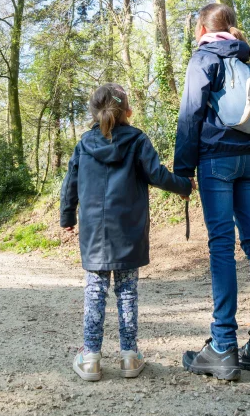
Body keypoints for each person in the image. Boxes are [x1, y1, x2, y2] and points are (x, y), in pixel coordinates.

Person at [174, 3, 250, 381]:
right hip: (248, 160)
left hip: (215, 160)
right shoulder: (244, 58)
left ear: (203, 26)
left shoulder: (204, 58)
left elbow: (190, 113)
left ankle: (222, 346)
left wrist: (183, 169)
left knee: (222, 247)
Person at [60, 82, 192, 381]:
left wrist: (67, 216)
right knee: (127, 292)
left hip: (94, 231)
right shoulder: (137, 140)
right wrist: (184, 186)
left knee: (95, 291)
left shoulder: (84, 144)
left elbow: (69, 183)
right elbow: (157, 174)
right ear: (127, 111)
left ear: (94, 111)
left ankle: (91, 358)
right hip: (129, 228)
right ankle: (130, 357)